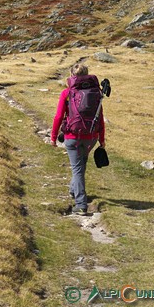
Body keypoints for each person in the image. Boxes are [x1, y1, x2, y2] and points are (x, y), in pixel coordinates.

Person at [50, 63, 105, 215]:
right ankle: (74, 190)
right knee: (81, 165)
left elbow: (59, 116)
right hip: (91, 137)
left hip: (72, 137)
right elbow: (99, 117)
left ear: (72, 76)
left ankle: (81, 204)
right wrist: (101, 139)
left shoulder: (67, 93)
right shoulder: (96, 94)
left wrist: (53, 137)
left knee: (77, 168)